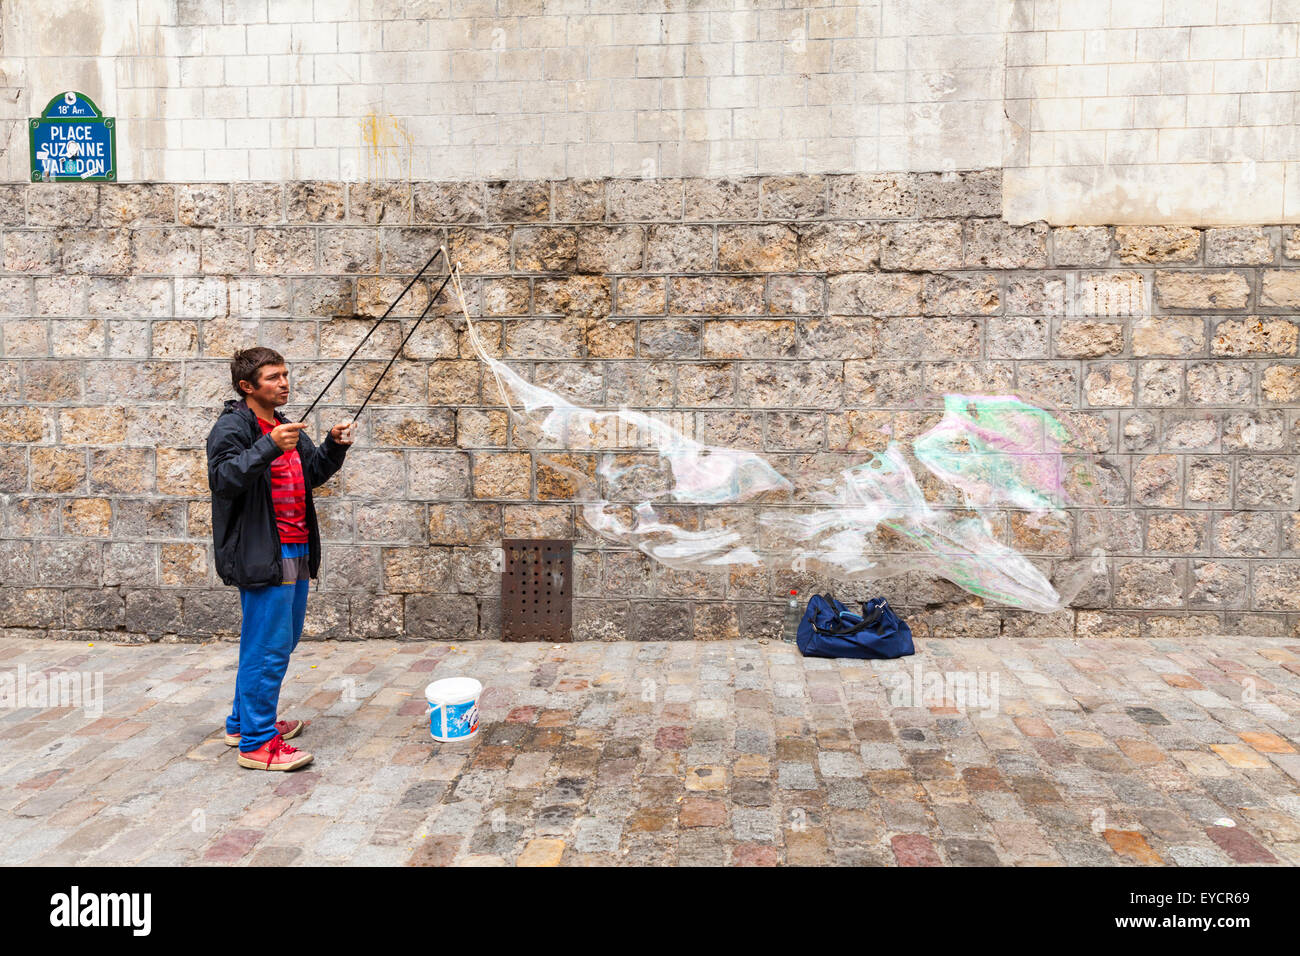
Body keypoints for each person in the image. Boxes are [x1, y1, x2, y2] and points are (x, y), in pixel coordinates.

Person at [206, 347, 353, 771]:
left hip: (298, 546)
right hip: (264, 552)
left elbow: (311, 474)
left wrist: (333, 446)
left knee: (279, 643)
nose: (284, 383)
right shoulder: (233, 427)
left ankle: (241, 723)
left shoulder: (284, 425)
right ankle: (256, 743)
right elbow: (223, 480)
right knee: (267, 648)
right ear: (247, 386)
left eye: (286, 374)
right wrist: (268, 447)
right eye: (273, 377)